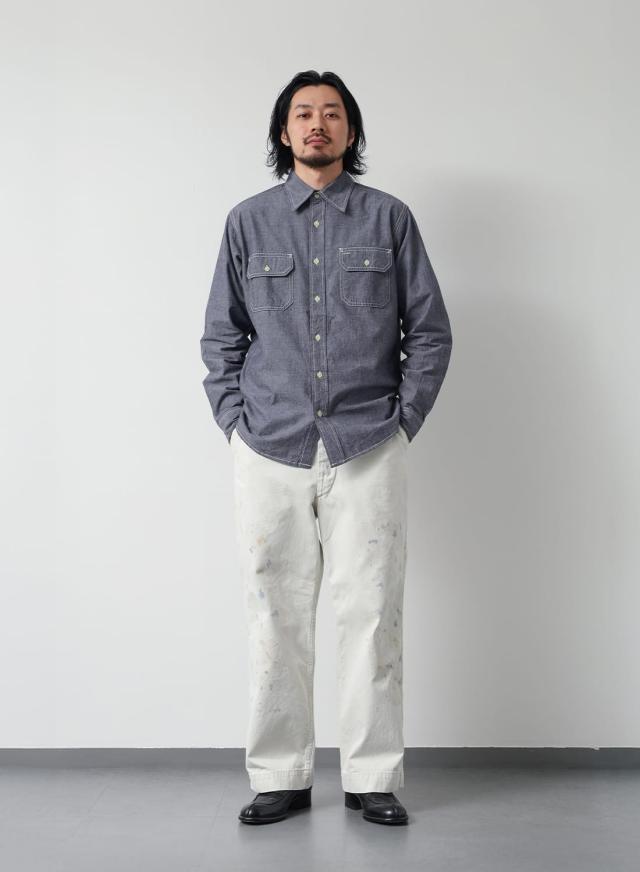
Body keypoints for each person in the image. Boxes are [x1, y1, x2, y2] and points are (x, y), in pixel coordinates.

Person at [200, 70, 453, 826]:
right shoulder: (247, 222)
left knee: (372, 612)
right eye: (304, 113)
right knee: (273, 613)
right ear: (284, 133)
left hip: (367, 445)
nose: (318, 124)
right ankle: (280, 774)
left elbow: (429, 332)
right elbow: (221, 337)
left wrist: (402, 421)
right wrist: (234, 421)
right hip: (268, 447)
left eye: (332, 113)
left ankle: (373, 778)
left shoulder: (389, 219)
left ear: (350, 131)